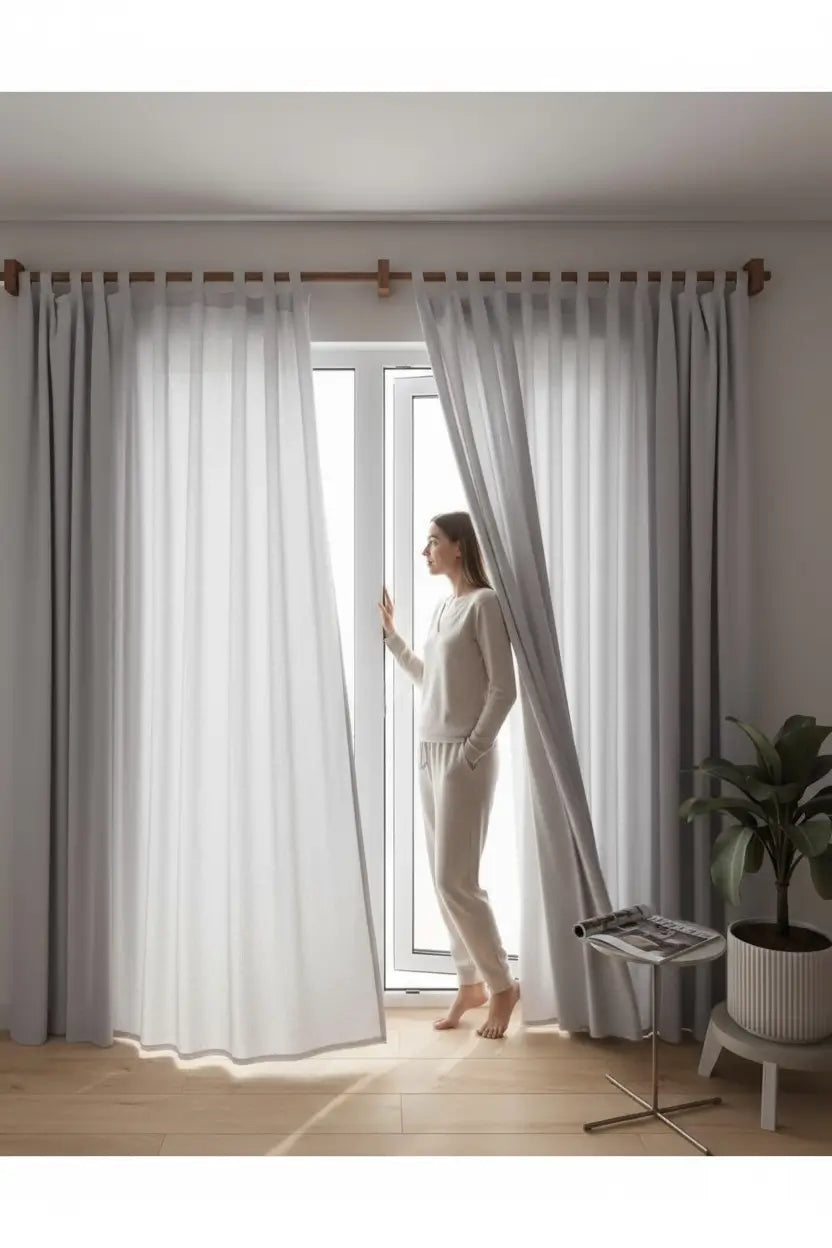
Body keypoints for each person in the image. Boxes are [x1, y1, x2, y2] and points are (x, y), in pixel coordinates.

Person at [378, 511, 520, 1039]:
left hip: (464, 758)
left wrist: (472, 753)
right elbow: (429, 680)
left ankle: (503, 987)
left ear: (459, 547)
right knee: (443, 885)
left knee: (455, 880)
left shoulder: (484, 605)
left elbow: (504, 690)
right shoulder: (443, 608)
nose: (426, 550)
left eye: (433, 541)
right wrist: (393, 640)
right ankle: (471, 982)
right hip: (429, 753)